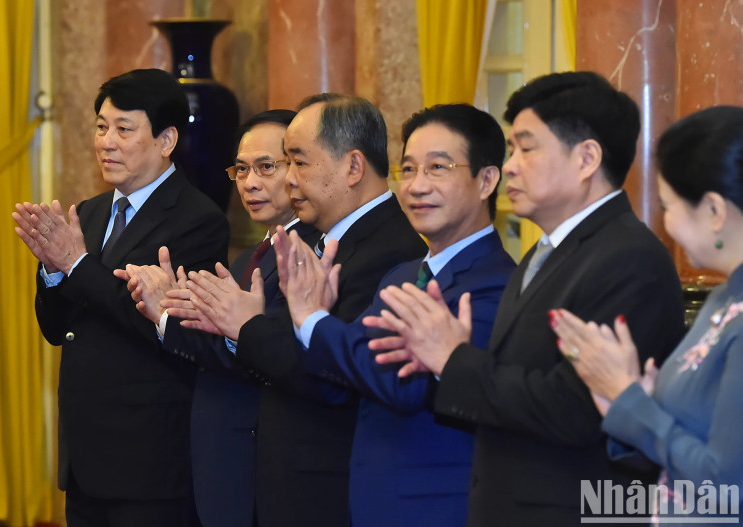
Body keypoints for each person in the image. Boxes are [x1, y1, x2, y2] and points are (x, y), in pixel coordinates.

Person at [363, 71, 686, 525]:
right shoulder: (545, 251)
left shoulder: (628, 258)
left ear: (586, 158)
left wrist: (453, 359)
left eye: (526, 148)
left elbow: (573, 410)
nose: (510, 166)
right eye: (511, 149)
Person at [170, 93, 428, 526]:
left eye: (299, 162)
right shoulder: (323, 240)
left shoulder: (389, 251)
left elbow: (332, 376)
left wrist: (245, 325)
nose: (288, 179)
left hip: (326, 490)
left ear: (353, 167)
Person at [273, 104, 516, 526]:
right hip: (369, 501)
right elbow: (352, 363)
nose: (417, 186)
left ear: (486, 180)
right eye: (409, 169)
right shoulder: (402, 275)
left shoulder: (497, 283)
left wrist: (312, 318)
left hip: (434, 510)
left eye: (438, 168)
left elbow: (400, 382)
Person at [12, 68, 229, 527]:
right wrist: (53, 272)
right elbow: (58, 330)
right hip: (85, 458)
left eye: (124, 129)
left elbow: (170, 332)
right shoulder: (89, 213)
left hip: (148, 463)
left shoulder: (197, 220)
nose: (106, 142)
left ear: (166, 139)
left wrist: (75, 265)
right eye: (101, 127)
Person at [117, 109, 320, 527]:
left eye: (266, 167)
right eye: (241, 169)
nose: (249, 183)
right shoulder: (249, 258)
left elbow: (264, 357)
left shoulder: (310, 255)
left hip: (267, 466)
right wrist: (177, 309)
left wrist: (166, 318)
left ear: (301, 169)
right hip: (220, 464)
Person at [552, 106, 743, 521]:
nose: (665, 223)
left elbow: (727, 486)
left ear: (714, 211)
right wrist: (638, 398)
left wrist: (630, 401)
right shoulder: (724, 298)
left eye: (668, 206)